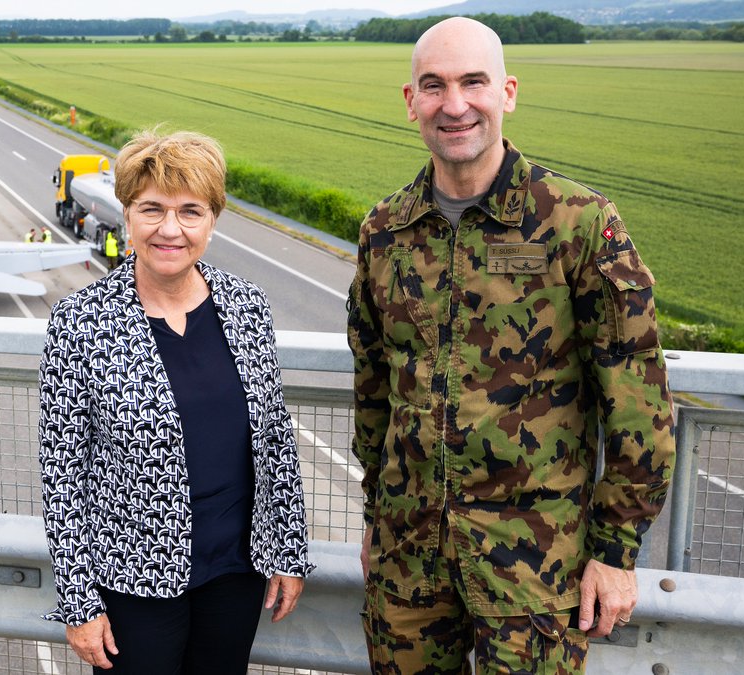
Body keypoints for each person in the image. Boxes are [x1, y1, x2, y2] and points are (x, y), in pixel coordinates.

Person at [347, 17, 675, 674]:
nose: (455, 104)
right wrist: (377, 517)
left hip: (532, 574)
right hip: (408, 567)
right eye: (434, 86)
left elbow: (637, 400)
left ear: (509, 92)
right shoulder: (385, 230)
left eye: (474, 82)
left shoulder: (577, 223)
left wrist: (616, 550)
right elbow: (375, 389)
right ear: (411, 101)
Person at [39, 130, 313, 674]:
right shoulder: (80, 322)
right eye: (152, 209)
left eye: (190, 211)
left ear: (212, 220)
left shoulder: (246, 306)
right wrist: (78, 601)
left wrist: (289, 548)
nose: (170, 229)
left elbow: (275, 442)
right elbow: (61, 474)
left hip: (236, 574)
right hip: (133, 583)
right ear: (127, 214)